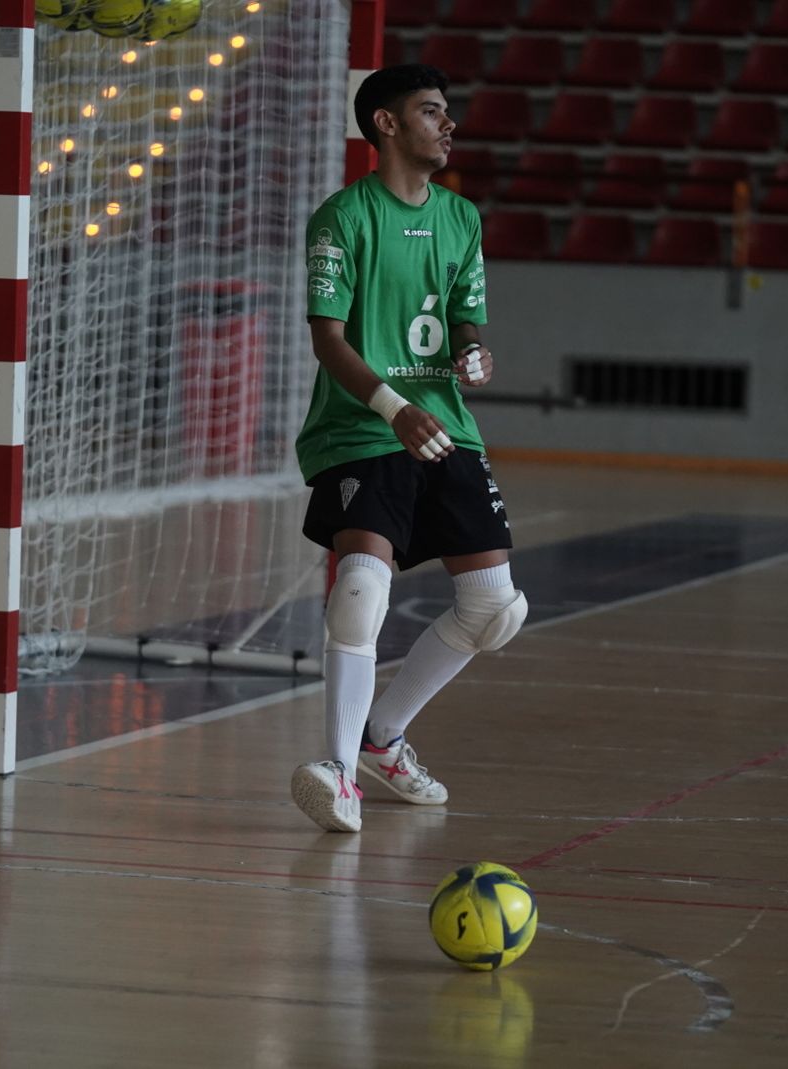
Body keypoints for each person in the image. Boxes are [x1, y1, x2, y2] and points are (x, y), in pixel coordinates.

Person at [289, 64, 527, 833]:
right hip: (366, 424)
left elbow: (464, 319)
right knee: (362, 586)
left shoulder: (462, 218)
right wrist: (392, 408)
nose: (448, 124)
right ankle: (336, 770)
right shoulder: (342, 217)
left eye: (447, 112)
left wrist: (474, 354)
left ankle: (379, 738)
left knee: (495, 607)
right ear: (386, 125)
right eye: (431, 112)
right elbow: (328, 339)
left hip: (443, 423)